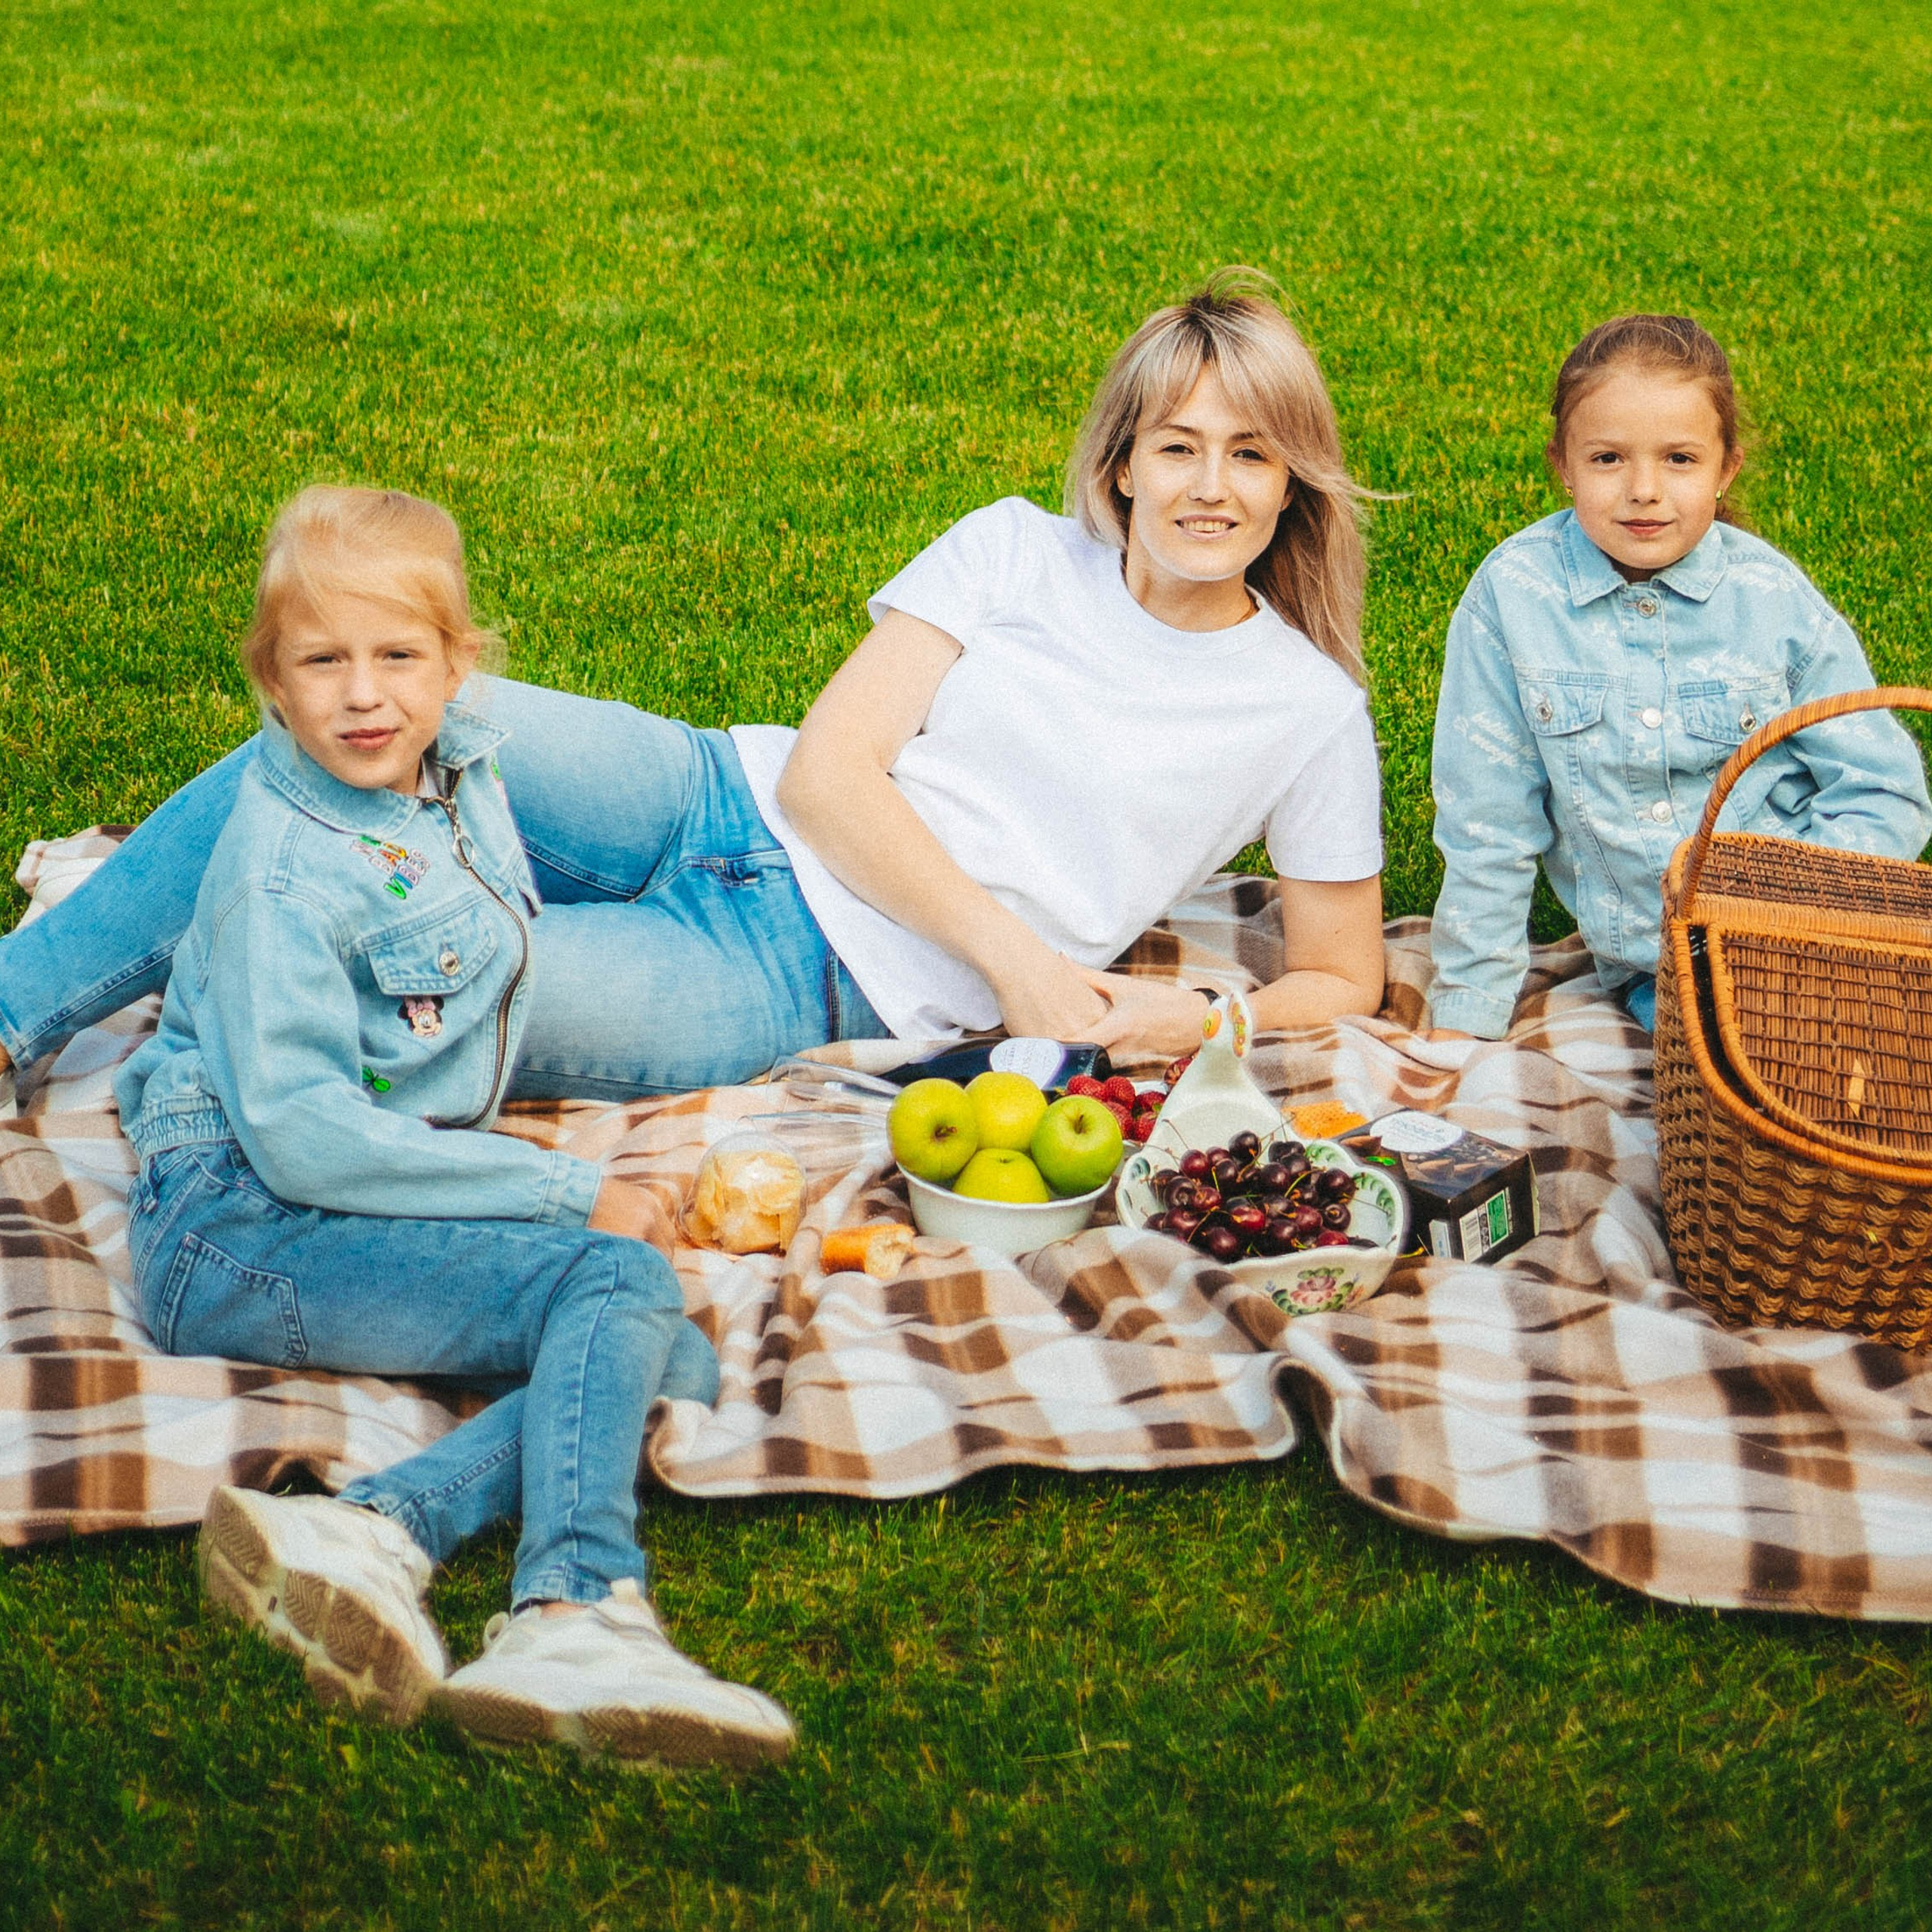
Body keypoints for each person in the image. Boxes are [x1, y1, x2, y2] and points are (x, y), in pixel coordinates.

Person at [0, 269, 1387, 1108]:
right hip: (700, 792)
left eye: (1252, 454)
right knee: (319, 747)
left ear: (1293, 480)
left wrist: (1210, 1023)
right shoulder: (1013, 548)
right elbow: (827, 778)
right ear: (1124, 459)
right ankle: (15, 1011)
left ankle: (201, 1017)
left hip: (805, 982)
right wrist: (1025, 967)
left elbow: (1346, 974)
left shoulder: (1303, 706)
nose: (1211, 487)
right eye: (1180, 446)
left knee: (401, 1000)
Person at [121, 486, 794, 1770]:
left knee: (661, 1360)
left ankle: (373, 1529)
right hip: (243, 1228)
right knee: (614, 1280)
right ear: (271, 676)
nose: (364, 696)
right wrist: (549, 1189)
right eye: (324, 661)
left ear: (458, 666)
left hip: (344, 1193)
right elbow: (307, 1139)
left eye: (399, 657)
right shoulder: (281, 876)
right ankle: (576, 1605)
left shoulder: (462, 766)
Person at [1427, 312, 1932, 1038]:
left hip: (1810, 941)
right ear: (1561, 464)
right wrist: (1467, 1016)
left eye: (1680, 460)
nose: (1643, 490)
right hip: (1660, 971)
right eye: (1607, 459)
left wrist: (1797, 912)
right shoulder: (1512, 598)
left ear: (1726, 468)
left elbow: (1884, 789)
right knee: (1737, 1075)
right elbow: (1487, 824)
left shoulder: (1773, 600)